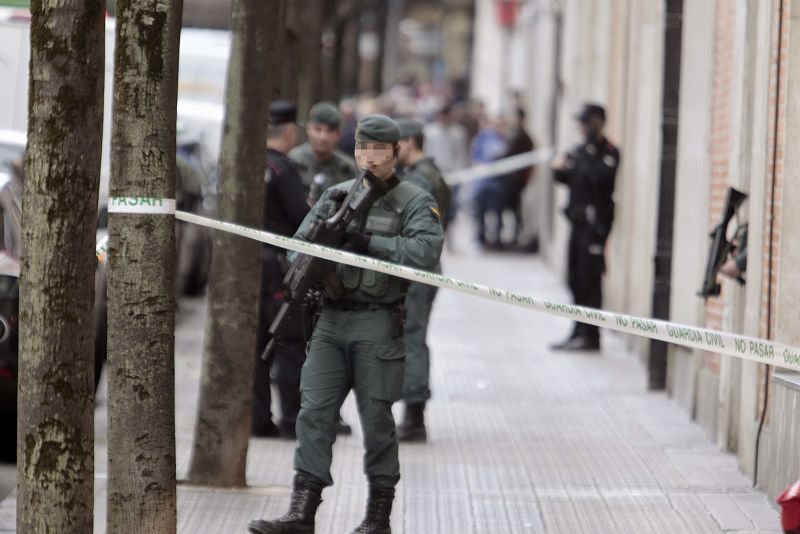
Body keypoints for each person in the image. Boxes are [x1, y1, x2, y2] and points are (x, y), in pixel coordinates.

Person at [248, 115, 444, 534]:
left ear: (395, 152)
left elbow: (426, 253)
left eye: (378, 150)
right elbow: (296, 247)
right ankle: (302, 511)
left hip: (377, 322)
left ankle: (378, 516)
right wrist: (318, 254)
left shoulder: (413, 199)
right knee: (313, 414)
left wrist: (369, 244)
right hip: (331, 320)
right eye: (362, 149)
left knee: (376, 421)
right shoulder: (335, 196)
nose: (369, 158)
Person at [252, 101, 311, 438]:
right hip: (278, 270)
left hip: (248, 269)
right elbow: (301, 218)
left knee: (255, 346)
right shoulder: (283, 170)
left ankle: (258, 420)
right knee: (288, 344)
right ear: (289, 131)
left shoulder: (248, 163)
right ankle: (292, 420)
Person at [394, 119, 450, 442]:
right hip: (422, 265)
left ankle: (414, 417)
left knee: (411, 338)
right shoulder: (430, 173)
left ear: (411, 142)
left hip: (416, 268)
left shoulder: (419, 179)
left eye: (396, 144)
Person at [550, 103, 620, 351]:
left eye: (585, 122)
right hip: (577, 224)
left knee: (591, 279)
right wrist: (559, 167)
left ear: (597, 122)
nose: (581, 128)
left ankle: (591, 335)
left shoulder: (609, 152)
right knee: (575, 279)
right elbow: (564, 176)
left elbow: (600, 178)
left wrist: (584, 157)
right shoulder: (579, 151)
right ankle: (577, 330)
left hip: (595, 226)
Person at [289, 101, 358, 206]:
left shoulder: (347, 168)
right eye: (318, 129)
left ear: (338, 134)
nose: (323, 137)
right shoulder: (292, 161)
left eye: (330, 131)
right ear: (308, 129)